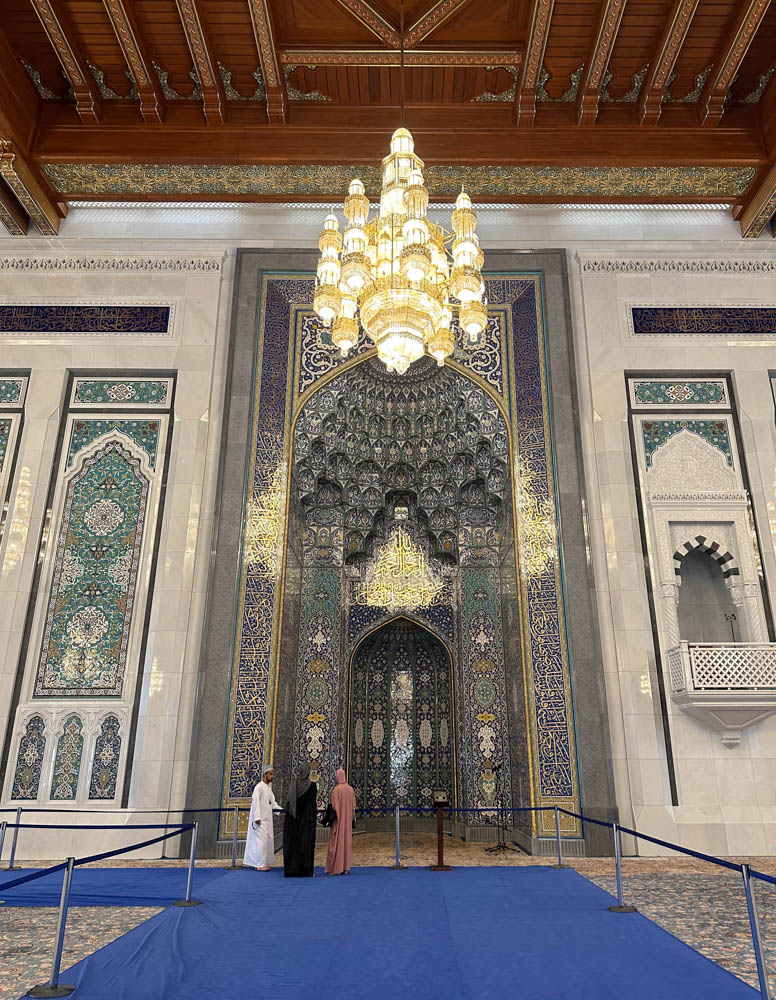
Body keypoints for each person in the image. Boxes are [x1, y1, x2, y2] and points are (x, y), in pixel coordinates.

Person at [283, 763, 317, 877]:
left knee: (293, 845)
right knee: (305, 845)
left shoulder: (293, 785)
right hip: (306, 822)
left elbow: (289, 805)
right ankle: (305, 870)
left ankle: (291, 870)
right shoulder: (312, 786)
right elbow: (312, 805)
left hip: (292, 821)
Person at [244, 764, 280, 871]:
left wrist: (280, 811)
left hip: (267, 820)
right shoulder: (259, 787)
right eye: (270, 774)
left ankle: (263, 862)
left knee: (266, 842)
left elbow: (273, 804)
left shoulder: (268, 789)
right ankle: (259, 864)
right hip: (260, 821)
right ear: (265, 775)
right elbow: (255, 803)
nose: (272, 776)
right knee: (261, 842)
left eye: (273, 774)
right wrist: (257, 818)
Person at [324, 768, 356, 875]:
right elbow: (353, 807)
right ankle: (345, 867)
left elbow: (334, 806)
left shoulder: (337, 790)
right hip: (347, 823)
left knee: (336, 843)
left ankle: (336, 868)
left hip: (338, 821)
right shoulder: (350, 789)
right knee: (346, 842)